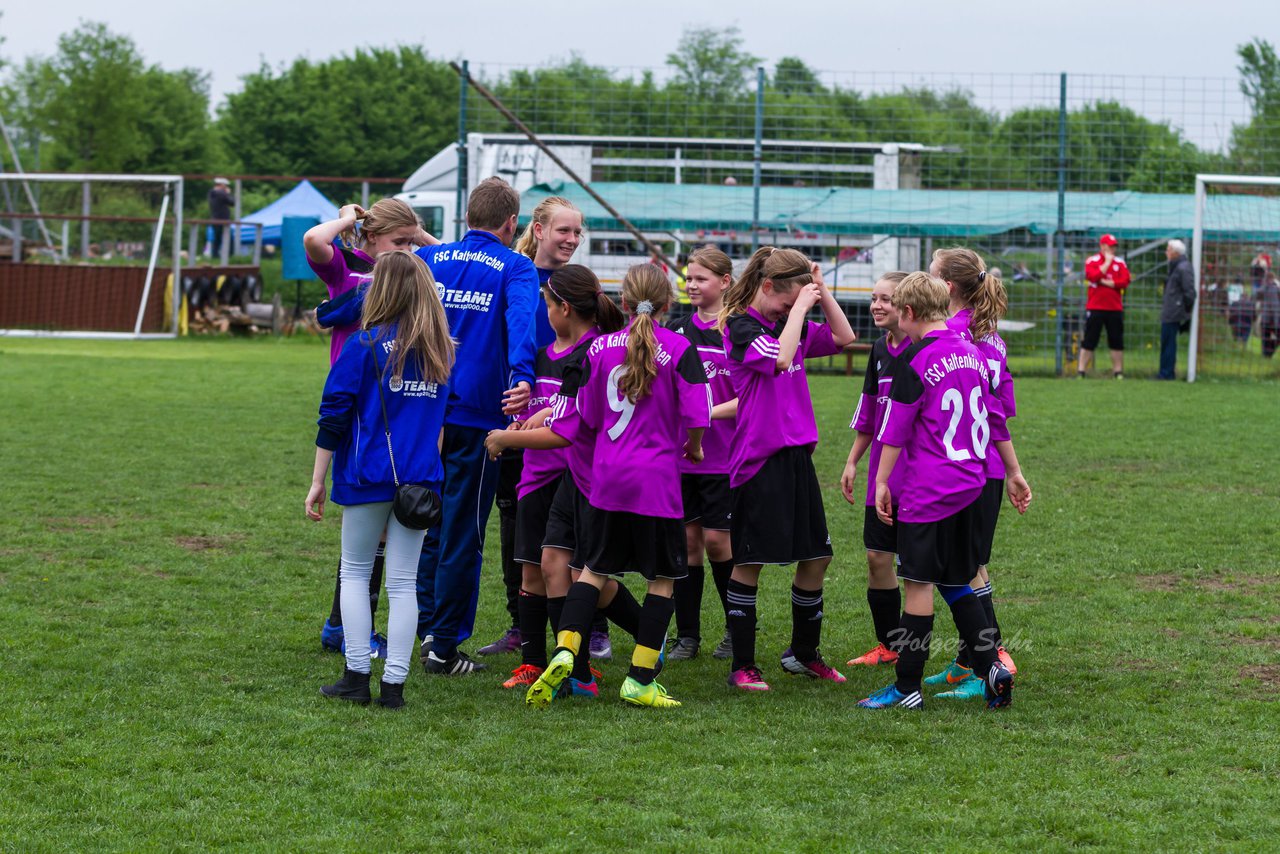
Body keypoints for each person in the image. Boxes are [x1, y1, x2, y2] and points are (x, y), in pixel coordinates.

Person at [517, 264, 711, 709]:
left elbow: (580, 418)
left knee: (591, 571)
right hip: (657, 483)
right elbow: (698, 417)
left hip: (605, 479)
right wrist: (694, 448)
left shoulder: (596, 349)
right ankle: (640, 680)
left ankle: (566, 648)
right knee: (663, 579)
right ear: (667, 304)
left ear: (621, 303)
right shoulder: (681, 349)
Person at [855, 272, 1014, 711]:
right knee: (959, 579)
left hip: (930, 491)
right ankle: (991, 667)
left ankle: (906, 687)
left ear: (908, 313)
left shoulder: (917, 361)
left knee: (919, 586)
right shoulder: (973, 353)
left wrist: (883, 481)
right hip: (972, 484)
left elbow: (895, 430)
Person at [306, 251, 455, 709]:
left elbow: (333, 415)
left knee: (354, 571)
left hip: (368, 473)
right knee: (404, 582)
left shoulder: (364, 345)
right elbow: (443, 422)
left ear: (381, 290)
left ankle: (356, 675)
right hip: (421, 480)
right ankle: (394, 686)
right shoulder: (442, 348)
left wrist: (317, 480)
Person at [414, 177, 539, 675]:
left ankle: (421, 629)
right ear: (512, 224)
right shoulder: (516, 265)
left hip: (422, 411)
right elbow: (522, 323)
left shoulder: (429, 260)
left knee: (423, 522)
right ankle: (443, 645)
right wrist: (523, 378)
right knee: (464, 531)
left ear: (467, 217)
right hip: (479, 417)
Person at [718, 247, 857, 692]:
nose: (788, 308)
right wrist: (797, 307)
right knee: (751, 561)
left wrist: (821, 290)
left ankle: (803, 653)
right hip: (758, 460)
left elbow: (844, 337)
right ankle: (743, 665)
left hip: (797, 457)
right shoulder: (741, 326)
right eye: (784, 300)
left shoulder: (786, 322)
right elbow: (779, 358)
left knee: (818, 557)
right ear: (767, 287)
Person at [486, 264, 625, 691]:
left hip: (576, 481)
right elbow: (548, 412)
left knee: (577, 576)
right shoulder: (545, 355)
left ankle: (583, 663)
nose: (544, 312)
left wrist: (507, 438)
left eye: (546, 304)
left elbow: (571, 426)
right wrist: (525, 410)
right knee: (533, 572)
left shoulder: (596, 352)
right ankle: (533, 662)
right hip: (535, 480)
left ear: (563, 307)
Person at [928, 247, 1032, 699]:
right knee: (972, 564)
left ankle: (992, 660)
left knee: (963, 569)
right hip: (985, 466)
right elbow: (1001, 411)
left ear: (947, 287)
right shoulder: (991, 336)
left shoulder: (951, 336)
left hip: (961, 466)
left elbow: (990, 412)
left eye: (930, 275)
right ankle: (971, 660)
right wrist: (1012, 470)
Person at [666, 246, 738, 661]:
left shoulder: (738, 332)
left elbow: (751, 398)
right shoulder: (677, 331)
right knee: (688, 544)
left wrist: (703, 412)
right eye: (689, 278)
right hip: (681, 457)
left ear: (725, 282)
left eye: (701, 278)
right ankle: (687, 636)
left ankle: (735, 626)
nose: (691, 285)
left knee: (717, 542)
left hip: (724, 458)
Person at [841, 271, 910, 669]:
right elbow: (870, 409)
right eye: (874, 298)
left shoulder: (923, 349)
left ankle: (971, 651)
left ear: (908, 305)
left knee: (923, 568)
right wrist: (852, 460)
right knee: (877, 557)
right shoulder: (880, 350)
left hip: (917, 473)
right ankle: (891, 645)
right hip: (880, 475)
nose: (877, 306)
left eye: (886, 299)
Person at [1078, 234, 1131, 379]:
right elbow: (1092, 276)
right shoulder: (1092, 260)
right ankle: (1081, 371)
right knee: (1089, 340)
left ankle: (1118, 372)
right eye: (1110, 245)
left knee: (1116, 340)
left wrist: (1106, 282)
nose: (1113, 248)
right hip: (1095, 307)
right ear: (1102, 246)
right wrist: (1106, 264)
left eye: (1114, 246)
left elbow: (1125, 281)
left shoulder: (1120, 262)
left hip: (1115, 308)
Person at [1158, 239, 1197, 380]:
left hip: (1175, 311)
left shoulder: (1183, 267)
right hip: (1172, 309)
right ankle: (1165, 371)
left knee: (1169, 342)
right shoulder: (1177, 266)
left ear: (1175, 252)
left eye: (1168, 249)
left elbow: (1190, 292)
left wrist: (1185, 311)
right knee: (1166, 341)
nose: (1166, 252)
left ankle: (1167, 373)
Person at [207, 178, 234, 258]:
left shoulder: (212, 193)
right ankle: (229, 256)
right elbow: (232, 202)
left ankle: (215, 255)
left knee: (217, 239)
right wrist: (228, 193)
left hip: (215, 219)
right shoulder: (222, 193)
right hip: (223, 219)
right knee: (229, 239)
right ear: (222, 185)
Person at [1259, 272, 1280, 359]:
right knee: (1268, 338)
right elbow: (1274, 306)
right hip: (1273, 319)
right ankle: (1268, 354)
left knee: (1265, 339)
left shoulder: (1267, 288)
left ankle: (1267, 354)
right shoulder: (1273, 288)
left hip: (1267, 319)